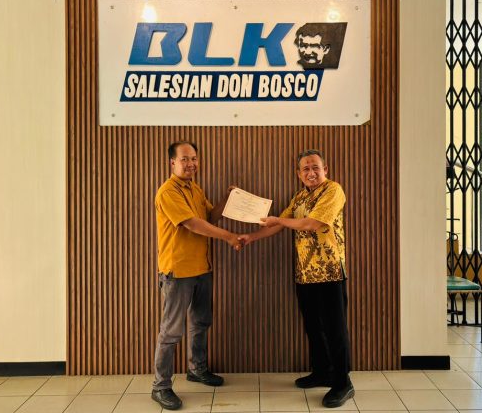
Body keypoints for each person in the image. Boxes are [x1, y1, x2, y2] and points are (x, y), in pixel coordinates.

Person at [238, 149, 354, 408]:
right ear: (299, 174)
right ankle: (322, 372)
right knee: (313, 326)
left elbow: (312, 223)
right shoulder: (300, 196)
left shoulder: (333, 190)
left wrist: (278, 219)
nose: (311, 173)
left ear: (325, 169)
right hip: (304, 273)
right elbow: (279, 224)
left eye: (315, 167)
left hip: (329, 272)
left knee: (335, 329)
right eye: (306, 169)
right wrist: (251, 237)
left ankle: (342, 382)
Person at [151, 141, 243, 410]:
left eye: (194, 159)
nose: (191, 164)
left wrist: (227, 200)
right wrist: (229, 237)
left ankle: (197, 369)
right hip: (178, 271)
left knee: (201, 322)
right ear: (172, 163)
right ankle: (160, 386)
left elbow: (209, 217)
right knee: (171, 331)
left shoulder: (195, 188)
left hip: (202, 268)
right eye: (184, 159)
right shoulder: (168, 192)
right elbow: (192, 224)